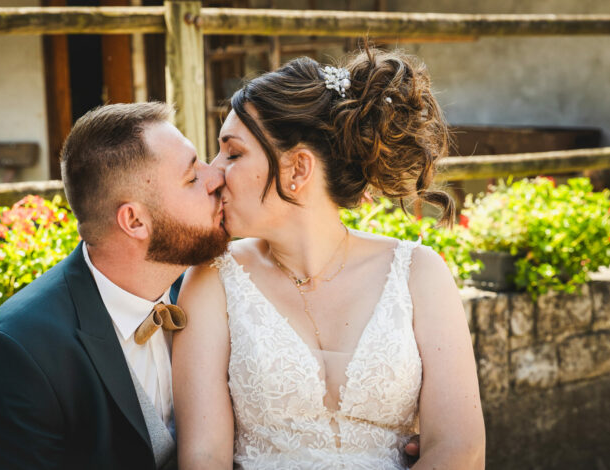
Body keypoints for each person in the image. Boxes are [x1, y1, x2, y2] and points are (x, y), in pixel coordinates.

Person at [173, 48, 485, 469]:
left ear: (298, 169)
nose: (212, 174)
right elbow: (203, 458)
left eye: (233, 153)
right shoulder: (212, 280)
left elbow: (460, 451)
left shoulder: (418, 274)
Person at [0, 102, 230, 469]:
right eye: (192, 177)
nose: (216, 177)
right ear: (134, 221)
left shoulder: (215, 292)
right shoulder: (19, 352)